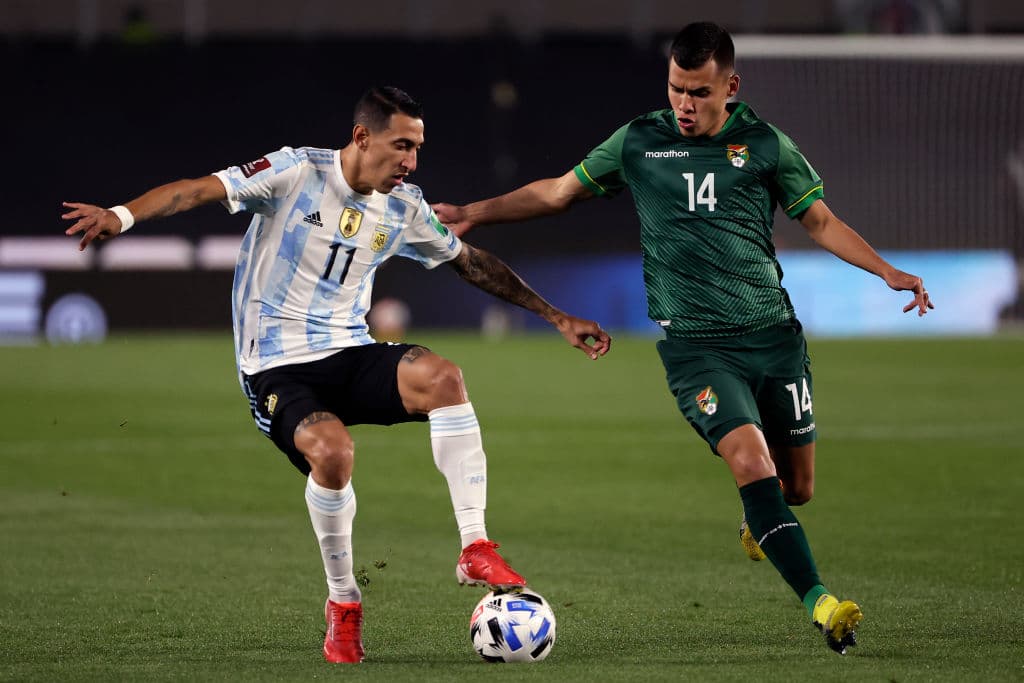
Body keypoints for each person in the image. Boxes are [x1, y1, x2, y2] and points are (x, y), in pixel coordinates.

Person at [433, 22, 934, 655]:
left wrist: (887, 270)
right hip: (697, 349)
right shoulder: (639, 141)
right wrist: (475, 211)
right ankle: (822, 604)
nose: (685, 105)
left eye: (698, 92)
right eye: (676, 89)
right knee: (751, 463)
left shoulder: (766, 145)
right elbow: (558, 192)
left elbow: (821, 220)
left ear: (732, 86)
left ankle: (763, 520)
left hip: (774, 338)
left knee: (796, 488)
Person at [62, 86, 610, 664]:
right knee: (333, 452)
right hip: (275, 367)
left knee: (444, 378)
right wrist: (121, 216)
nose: (411, 161)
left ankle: (474, 544)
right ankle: (344, 605)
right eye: (401, 145)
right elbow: (197, 190)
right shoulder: (295, 172)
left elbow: (470, 263)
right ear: (361, 137)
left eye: (418, 148)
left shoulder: (403, 206)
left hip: (347, 351)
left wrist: (554, 315)